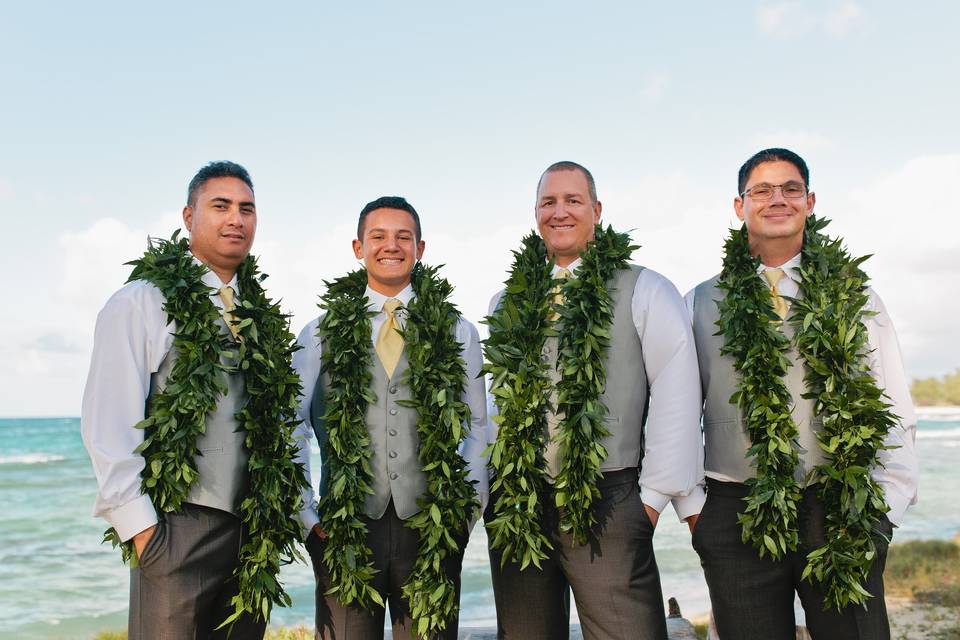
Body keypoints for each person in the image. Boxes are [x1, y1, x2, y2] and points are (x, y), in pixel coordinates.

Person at [685, 148, 919, 640]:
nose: (777, 199)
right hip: (736, 509)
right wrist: (694, 511)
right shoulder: (698, 302)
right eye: (762, 190)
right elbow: (675, 414)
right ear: (739, 205)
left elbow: (894, 404)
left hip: (841, 507)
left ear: (809, 201)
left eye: (790, 189)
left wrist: (884, 510)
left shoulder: (857, 296)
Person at [81, 161, 307, 639]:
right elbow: (108, 425)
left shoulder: (259, 316)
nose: (236, 219)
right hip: (176, 528)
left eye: (247, 209)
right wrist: (144, 534)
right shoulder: (142, 301)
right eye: (220, 206)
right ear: (189, 216)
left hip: (253, 538)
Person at [483, 161, 704, 640]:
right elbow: (494, 410)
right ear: (536, 213)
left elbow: (677, 397)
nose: (560, 211)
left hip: (610, 499)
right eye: (549, 202)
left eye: (573, 200)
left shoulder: (645, 288)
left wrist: (648, 501)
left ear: (597, 210)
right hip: (520, 503)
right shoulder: (506, 302)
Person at [293, 196, 488, 640]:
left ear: (421, 249)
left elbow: (479, 426)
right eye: (378, 236)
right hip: (343, 532)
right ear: (358, 248)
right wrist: (305, 516)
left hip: (432, 531)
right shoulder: (319, 333)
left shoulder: (458, 331)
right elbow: (292, 424)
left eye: (404, 236)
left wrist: (466, 512)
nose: (391, 245)